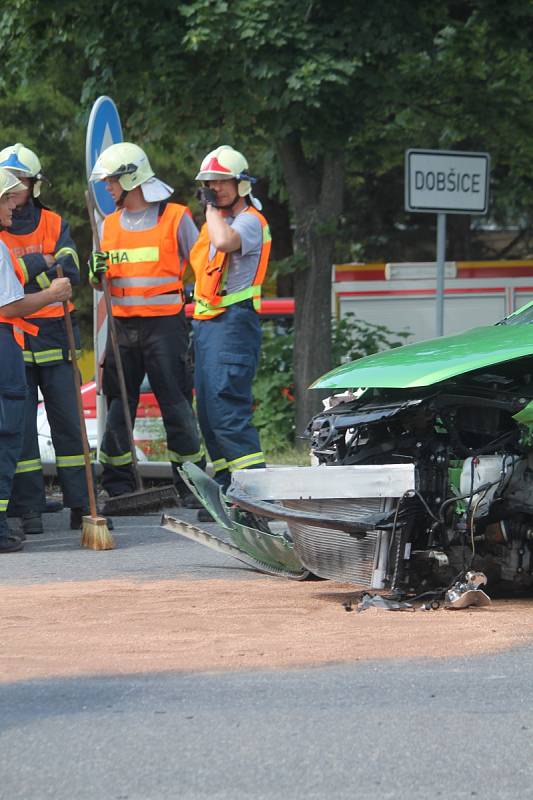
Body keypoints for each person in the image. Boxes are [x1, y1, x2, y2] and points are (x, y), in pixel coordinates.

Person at [88, 142, 204, 505]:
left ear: (131, 177)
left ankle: (190, 485)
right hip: (123, 329)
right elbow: (101, 283)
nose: (107, 188)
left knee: (176, 405)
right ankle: (118, 483)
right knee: (120, 408)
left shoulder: (176, 217)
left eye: (111, 181)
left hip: (166, 328)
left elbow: (203, 267)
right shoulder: (108, 226)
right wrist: (95, 275)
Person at [0, 143, 90, 535]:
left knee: (69, 423)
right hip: (16, 337)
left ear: (33, 186)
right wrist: (43, 264)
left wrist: (40, 269)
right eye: (9, 183)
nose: (14, 191)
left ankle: (82, 503)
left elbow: (71, 268)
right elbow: (13, 279)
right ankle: (29, 507)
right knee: (19, 432)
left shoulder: (53, 222)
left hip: (55, 332)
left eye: (19, 182)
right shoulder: (1, 230)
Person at [191, 145, 271, 494]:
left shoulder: (250, 221)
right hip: (211, 325)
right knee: (208, 413)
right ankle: (228, 485)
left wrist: (209, 207)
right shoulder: (220, 221)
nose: (215, 189)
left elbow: (224, 243)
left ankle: (255, 496)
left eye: (221, 183)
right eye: (209, 184)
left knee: (227, 411)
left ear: (242, 184)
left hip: (234, 325)